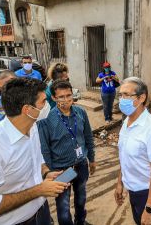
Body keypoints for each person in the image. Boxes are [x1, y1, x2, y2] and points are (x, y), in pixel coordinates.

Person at [0, 78, 68, 225]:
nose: (47, 105)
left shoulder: (32, 127)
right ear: (27, 110)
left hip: (41, 213)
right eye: (43, 101)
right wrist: (38, 190)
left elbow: (35, 156)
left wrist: (46, 172)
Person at [38, 79, 96, 225]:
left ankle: (80, 221)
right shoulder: (47, 120)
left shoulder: (81, 112)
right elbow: (45, 149)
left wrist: (92, 159)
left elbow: (88, 136)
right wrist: (50, 172)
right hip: (61, 171)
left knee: (81, 199)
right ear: (53, 98)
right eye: (61, 97)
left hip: (81, 165)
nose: (66, 100)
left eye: (69, 95)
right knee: (63, 208)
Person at [114, 77, 151, 225]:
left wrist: (150, 208)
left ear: (141, 97)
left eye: (126, 95)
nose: (122, 99)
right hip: (133, 190)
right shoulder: (127, 121)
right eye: (120, 95)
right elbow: (124, 156)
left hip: (149, 193)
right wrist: (120, 183)